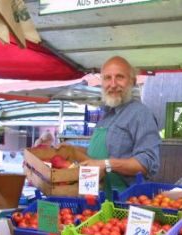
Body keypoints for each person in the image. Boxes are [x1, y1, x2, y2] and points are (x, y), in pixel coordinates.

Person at [66, 56, 161, 195]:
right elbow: (99, 155)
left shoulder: (140, 114)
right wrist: (72, 149)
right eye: (107, 78)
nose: (113, 83)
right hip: (96, 197)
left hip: (124, 202)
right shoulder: (106, 116)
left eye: (120, 77)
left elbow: (148, 162)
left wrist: (107, 164)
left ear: (132, 82)